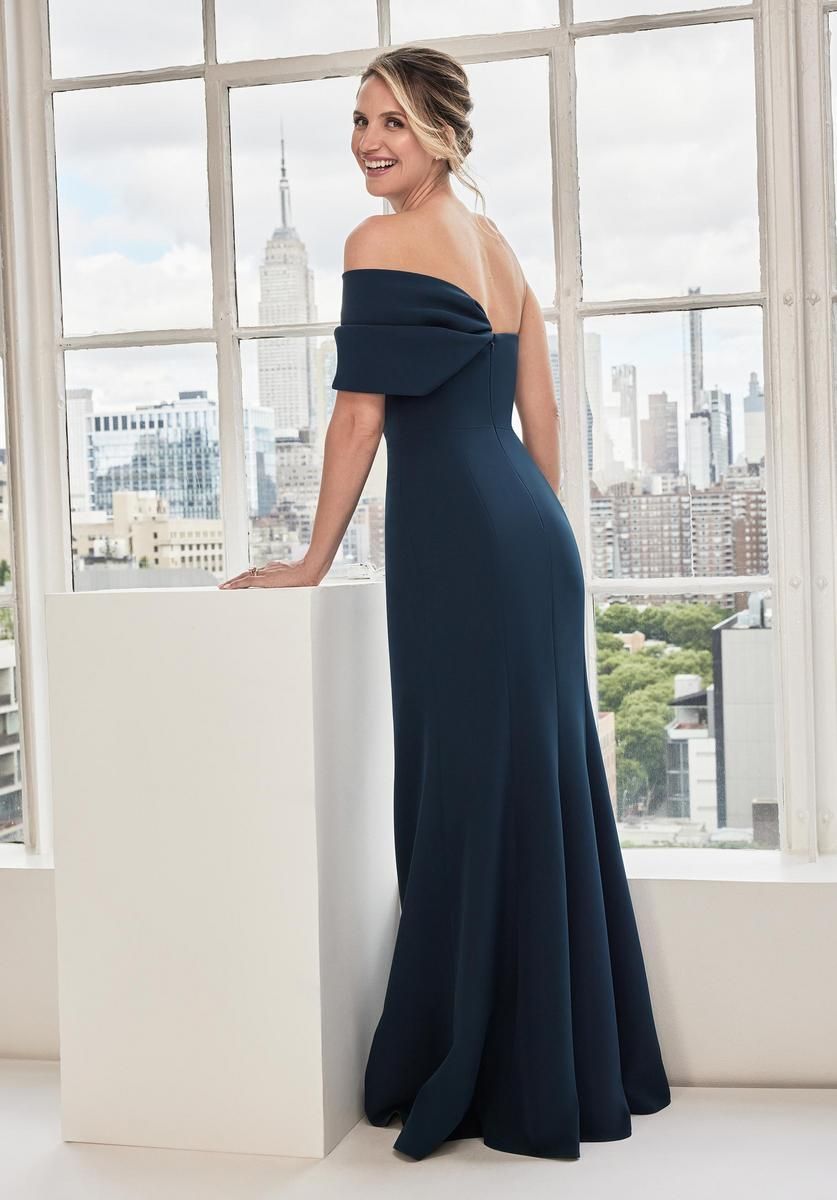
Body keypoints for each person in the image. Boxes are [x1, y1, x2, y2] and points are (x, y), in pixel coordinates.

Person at [219, 45, 671, 1162]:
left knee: (461, 798)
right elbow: (542, 415)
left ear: (443, 135)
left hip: (458, 548)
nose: (369, 142)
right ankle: (556, 1059)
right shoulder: (499, 247)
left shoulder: (376, 243)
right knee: (530, 790)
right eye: (359, 121)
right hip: (530, 539)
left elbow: (359, 419)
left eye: (393, 123)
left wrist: (311, 559)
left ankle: (472, 1057)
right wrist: (545, 542)